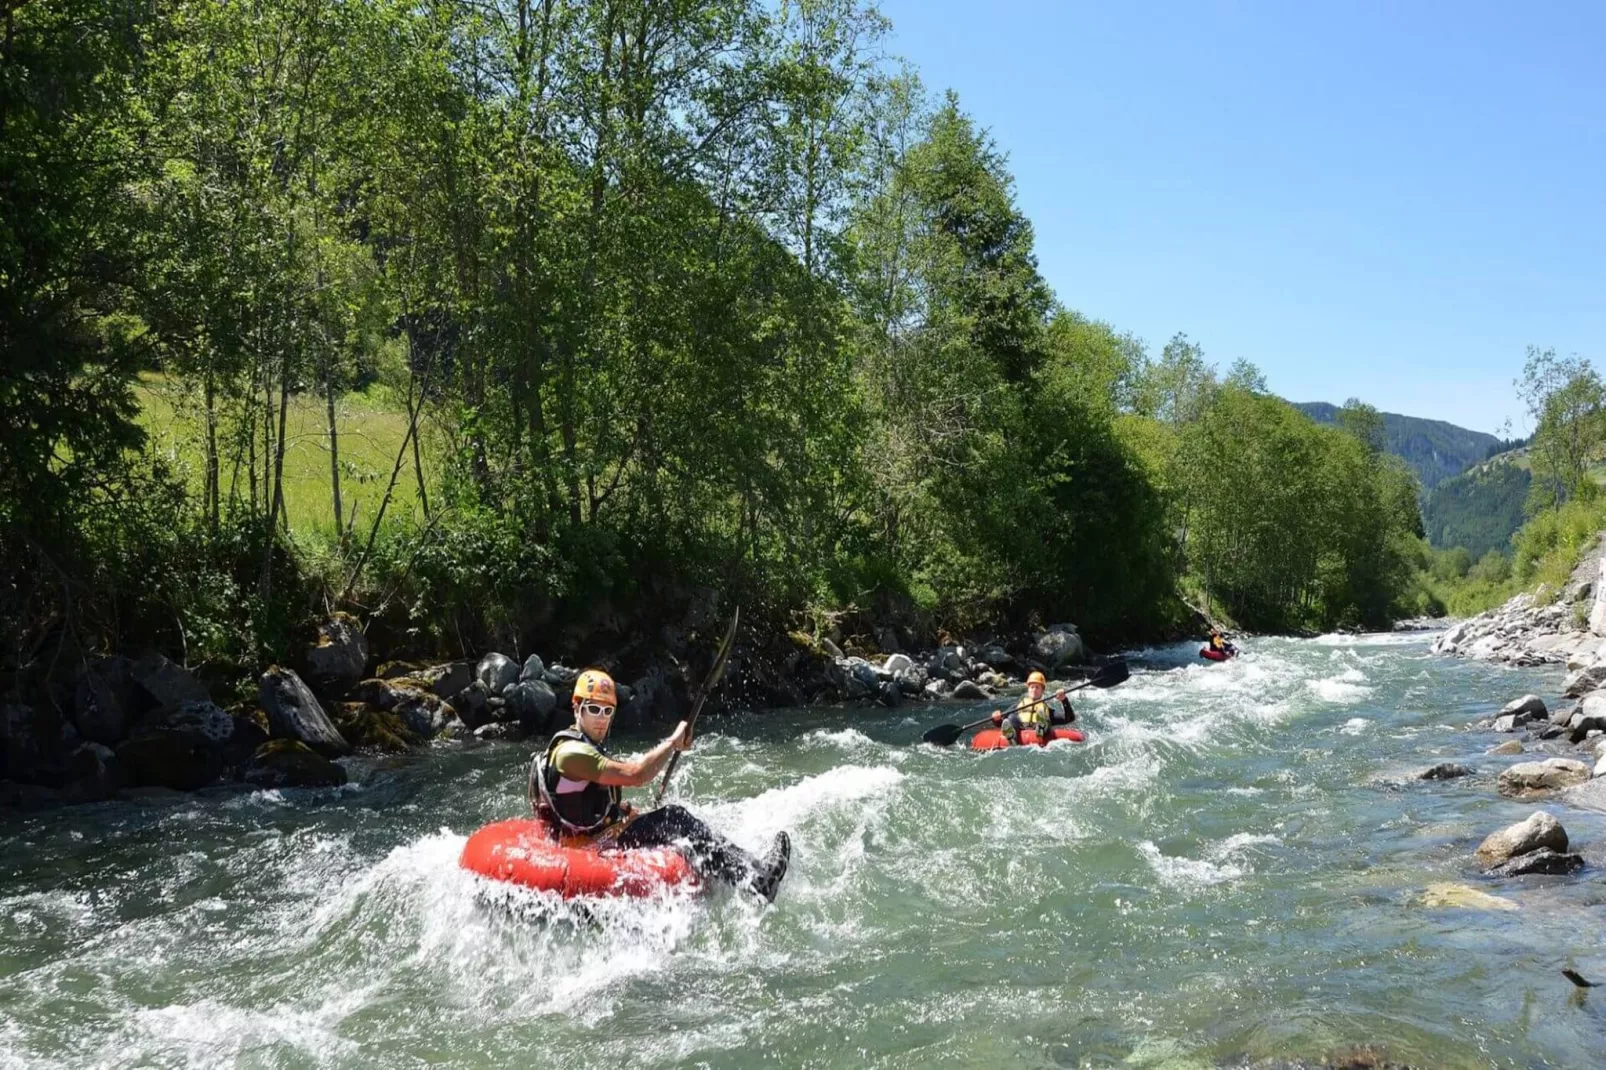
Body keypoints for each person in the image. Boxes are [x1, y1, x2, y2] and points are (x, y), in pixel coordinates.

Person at [529, 668, 791, 901]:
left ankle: (752, 864)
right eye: (593, 709)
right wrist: (671, 743)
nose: (601, 718)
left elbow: (583, 798)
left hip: (588, 834)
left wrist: (620, 809)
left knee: (667, 818)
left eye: (607, 711)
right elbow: (635, 775)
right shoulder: (571, 753)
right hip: (587, 846)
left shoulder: (584, 745)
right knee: (674, 817)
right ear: (577, 709)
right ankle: (753, 882)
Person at [990, 670, 1075, 746]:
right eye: (1032, 687)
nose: (1034, 690)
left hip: (1041, 732)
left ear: (1042, 691)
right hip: (1021, 727)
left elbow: (1069, 718)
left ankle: (1041, 727)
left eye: (1037, 687)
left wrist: (1064, 700)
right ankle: (1012, 737)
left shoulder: (1046, 710)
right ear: (1028, 689)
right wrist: (996, 719)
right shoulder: (1018, 706)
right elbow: (1001, 723)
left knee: (1045, 718)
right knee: (1011, 717)